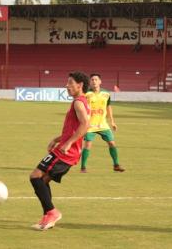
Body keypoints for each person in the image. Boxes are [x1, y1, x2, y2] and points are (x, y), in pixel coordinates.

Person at [29, 72, 90, 231]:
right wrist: (58, 139)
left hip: (66, 152)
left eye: (70, 82)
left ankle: (52, 212)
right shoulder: (81, 101)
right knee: (43, 181)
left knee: (35, 176)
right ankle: (48, 217)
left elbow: (85, 125)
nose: (66, 86)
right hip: (67, 149)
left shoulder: (78, 102)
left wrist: (68, 143)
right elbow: (74, 128)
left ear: (80, 85)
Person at [80, 74, 125, 173]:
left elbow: (108, 107)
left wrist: (112, 121)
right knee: (87, 145)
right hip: (90, 125)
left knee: (112, 143)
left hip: (103, 124)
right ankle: (83, 167)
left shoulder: (106, 94)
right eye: (92, 80)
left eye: (96, 79)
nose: (94, 81)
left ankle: (116, 165)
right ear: (90, 82)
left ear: (100, 81)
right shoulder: (86, 94)